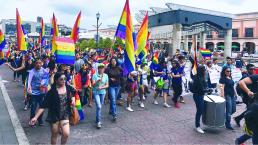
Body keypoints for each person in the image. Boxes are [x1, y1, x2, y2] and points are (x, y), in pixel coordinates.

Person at [29, 72, 76, 145]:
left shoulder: (68, 88)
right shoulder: (51, 92)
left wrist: (73, 100)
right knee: (55, 134)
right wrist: (35, 117)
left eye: (65, 79)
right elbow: (43, 105)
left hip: (65, 113)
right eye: (61, 79)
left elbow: (73, 93)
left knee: (66, 133)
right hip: (54, 115)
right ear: (56, 80)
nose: (64, 81)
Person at [236, 75, 258, 145]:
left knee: (254, 131)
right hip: (255, 106)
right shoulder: (256, 77)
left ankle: (239, 140)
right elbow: (241, 82)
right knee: (256, 129)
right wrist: (248, 91)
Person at [27, 58, 49, 127]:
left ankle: (40, 119)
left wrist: (43, 85)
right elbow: (28, 82)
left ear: (42, 63)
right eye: (37, 63)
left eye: (40, 63)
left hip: (42, 92)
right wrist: (29, 88)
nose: (38, 64)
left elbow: (46, 80)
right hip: (33, 92)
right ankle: (32, 121)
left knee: (41, 107)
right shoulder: (31, 72)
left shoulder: (44, 71)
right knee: (33, 107)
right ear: (34, 64)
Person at [190, 66, 208, 134]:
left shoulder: (200, 77)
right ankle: (197, 126)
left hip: (200, 95)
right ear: (202, 71)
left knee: (201, 110)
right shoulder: (198, 79)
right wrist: (207, 90)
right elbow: (201, 89)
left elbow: (204, 87)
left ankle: (199, 124)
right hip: (198, 96)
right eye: (204, 70)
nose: (205, 71)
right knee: (200, 110)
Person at [92, 63, 109, 129]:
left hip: (103, 92)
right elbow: (93, 85)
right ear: (98, 68)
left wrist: (102, 87)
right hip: (96, 92)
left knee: (99, 107)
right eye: (100, 68)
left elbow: (107, 85)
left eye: (102, 68)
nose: (101, 69)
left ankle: (97, 119)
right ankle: (99, 121)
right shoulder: (94, 75)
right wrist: (97, 81)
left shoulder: (106, 75)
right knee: (99, 106)